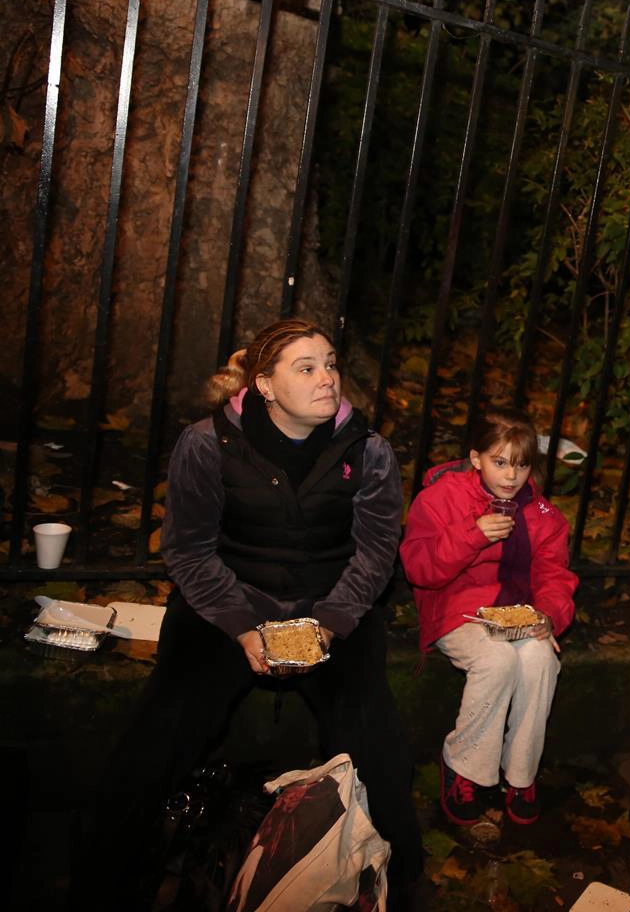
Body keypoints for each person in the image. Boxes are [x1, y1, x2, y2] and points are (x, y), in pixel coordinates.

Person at [72, 318, 422, 910]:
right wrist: (239, 625)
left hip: (327, 607)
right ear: (263, 383)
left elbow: (375, 553)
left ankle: (403, 878)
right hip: (228, 603)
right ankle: (104, 879)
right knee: (164, 727)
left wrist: (330, 624)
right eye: (306, 367)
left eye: (332, 363)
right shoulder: (207, 444)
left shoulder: (368, 452)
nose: (327, 378)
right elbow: (186, 549)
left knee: (373, 733)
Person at [400, 407, 578, 827]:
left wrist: (550, 616)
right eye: (500, 462)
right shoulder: (441, 499)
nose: (511, 476)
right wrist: (473, 535)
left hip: (515, 611)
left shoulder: (542, 514)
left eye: (521, 465)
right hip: (457, 607)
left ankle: (520, 773)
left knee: (539, 659)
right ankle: (463, 766)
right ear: (476, 458)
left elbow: (555, 576)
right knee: (496, 662)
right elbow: (419, 569)